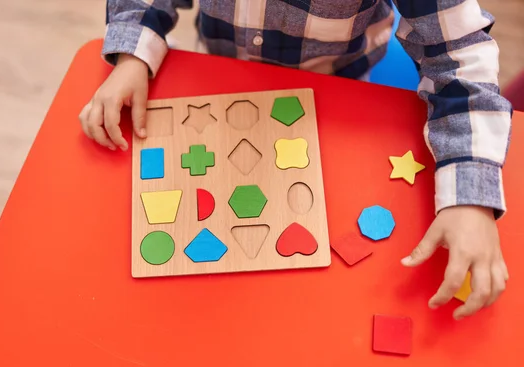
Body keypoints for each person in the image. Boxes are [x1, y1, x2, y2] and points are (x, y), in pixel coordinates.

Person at [79, 0, 512, 320]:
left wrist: (470, 192)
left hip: (336, 92)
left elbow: (460, 51)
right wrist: (133, 52)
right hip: (220, 74)